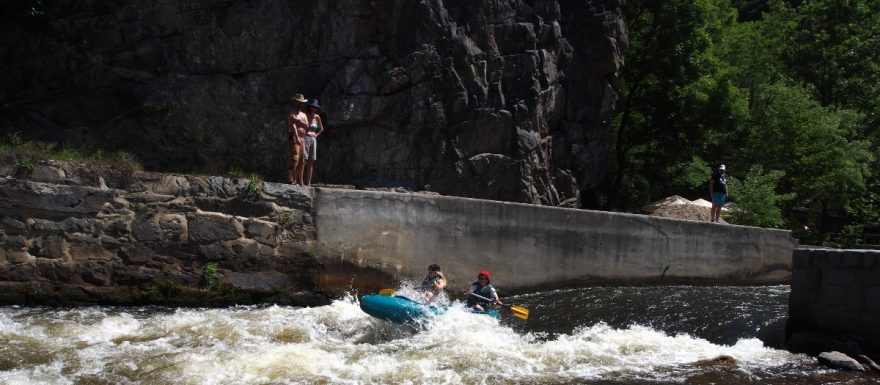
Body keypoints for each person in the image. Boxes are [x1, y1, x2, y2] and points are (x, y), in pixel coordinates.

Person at [287, 94, 308, 185]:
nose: (300, 104)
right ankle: (291, 179)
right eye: (298, 102)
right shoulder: (292, 113)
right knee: (294, 158)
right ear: (295, 102)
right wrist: (296, 136)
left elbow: (307, 125)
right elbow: (293, 125)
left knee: (302, 159)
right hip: (295, 137)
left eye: (301, 102)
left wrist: (299, 121)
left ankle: (298, 179)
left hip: (302, 137)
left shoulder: (303, 114)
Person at [303, 98, 324, 186]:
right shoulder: (305, 115)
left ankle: (308, 183)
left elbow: (321, 129)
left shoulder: (317, 117)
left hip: (313, 139)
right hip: (306, 137)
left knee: (311, 162)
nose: (314, 109)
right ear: (310, 107)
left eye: (315, 107)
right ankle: (300, 181)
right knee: (304, 160)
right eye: (312, 107)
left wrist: (316, 135)